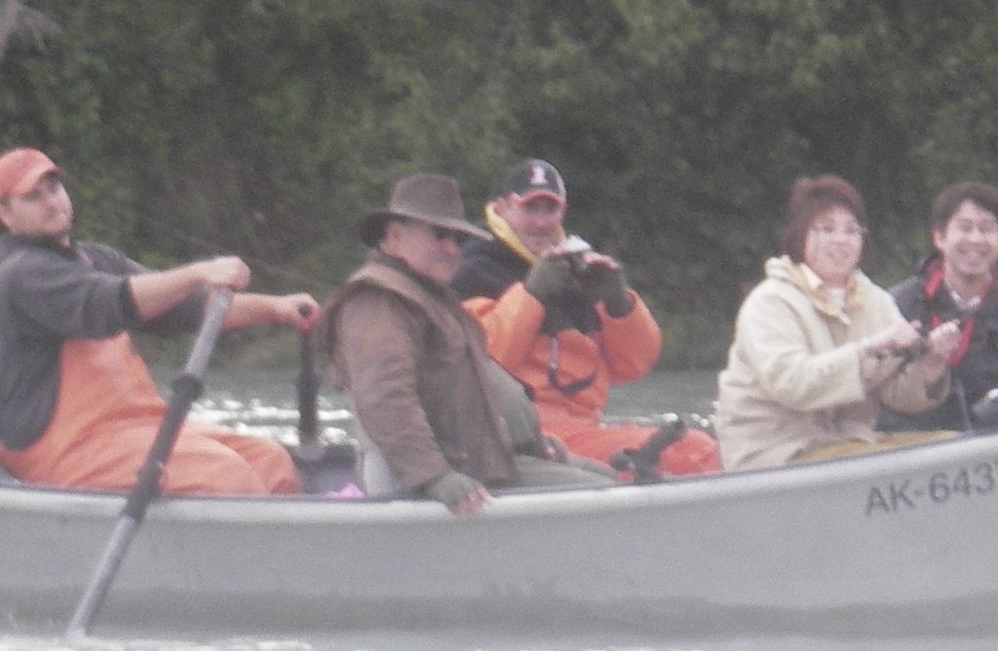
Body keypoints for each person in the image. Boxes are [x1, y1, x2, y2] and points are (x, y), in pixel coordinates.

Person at [0, 148, 316, 494]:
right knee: (226, 475)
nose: (51, 203)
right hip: (68, 447)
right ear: (5, 214)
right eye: (32, 197)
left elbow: (186, 306)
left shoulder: (95, 259)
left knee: (271, 462)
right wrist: (197, 272)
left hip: (137, 428)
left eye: (54, 189)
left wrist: (275, 308)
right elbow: (108, 303)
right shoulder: (21, 274)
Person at [320, 173, 613, 515]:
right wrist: (434, 476)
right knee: (606, 494)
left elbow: (470, 390)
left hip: (478, 463)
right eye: (439, 235)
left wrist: (532, 443)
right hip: (429, 483)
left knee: (605, 475)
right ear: (394, 239)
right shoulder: (377, 303)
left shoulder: (430, 296)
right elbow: (384, 399)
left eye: (458, 239)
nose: (452, 248)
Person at [451, 158, 723, 477]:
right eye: (530, 208)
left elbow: (633, 365)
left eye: (549, 210)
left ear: (562, 213)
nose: (540, 222)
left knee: (695, 448)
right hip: (529, 436)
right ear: (503, 209)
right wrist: (531, 295)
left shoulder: (573, 268)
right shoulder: (471, 271)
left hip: (582, 430)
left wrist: (619, 304)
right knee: (694, 452)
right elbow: (485, 365)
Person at [712, 175, 961, 471]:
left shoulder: (876, 302)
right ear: (800, 235)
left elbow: (897, 396)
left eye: (851, 230)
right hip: (774, 453)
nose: (841, 240)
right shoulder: (769, 302)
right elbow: (793, 385)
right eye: (826, 229)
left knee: (955, 447)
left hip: (849, 445)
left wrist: (929, 367)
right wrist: (868, 348)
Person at [879, 181, 998, 434]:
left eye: (987, 229)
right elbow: (874, 396)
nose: (976, 239)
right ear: (938, 237)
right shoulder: (896, 306)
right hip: (916, 451)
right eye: (964, 227)